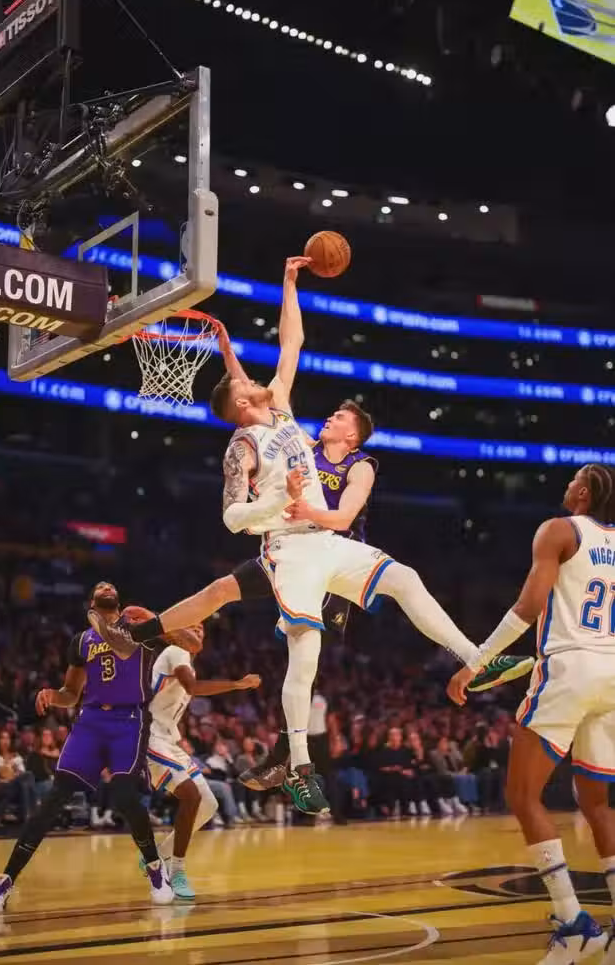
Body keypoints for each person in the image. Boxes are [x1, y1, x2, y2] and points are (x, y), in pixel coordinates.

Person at [92, 257, 533, 815]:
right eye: (247, 383)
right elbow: (233, 518)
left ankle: (478, 658)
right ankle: (299, 765)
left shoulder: (281, 412)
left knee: (404, 578)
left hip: (328, 543)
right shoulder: (241, 447)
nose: (258, 378)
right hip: (290, 548)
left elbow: (291, 342)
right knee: (306, 648)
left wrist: (289, 283)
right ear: (243, 403)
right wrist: (281, 501)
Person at [447, 464, 615, 963]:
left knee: (523, 795)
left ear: (583, 492)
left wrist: (475, 662)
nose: (566, 485)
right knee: (598, 804)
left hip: (570, 669)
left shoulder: (559, 529)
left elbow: (527, 606)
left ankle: (574, 924)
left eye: (573, 480)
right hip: (612, 673)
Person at [0, 582, 197, 914]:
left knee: (124, 795)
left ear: (118, 601)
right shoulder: (81, 641)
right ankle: (6, 880)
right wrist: (52, 695)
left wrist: (154, 618)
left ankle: (155, 868)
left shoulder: (139, 630)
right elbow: (70, 693)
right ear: (91, 605)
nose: (106, 586)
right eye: (100, 586)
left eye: (110, 585)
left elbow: (191, 643)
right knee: (53, 800)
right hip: (91, 721)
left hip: (129, 720)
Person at [145, 623, 261, 898]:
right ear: (180, 632)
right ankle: (176, 870)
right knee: (192, 795)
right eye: (192, 627)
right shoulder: (175, 651)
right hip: (149, 735)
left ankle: (156, 856)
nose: (197, 631)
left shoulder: (186, 662)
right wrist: (237, 684)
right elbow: (193, 687)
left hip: (168, 739)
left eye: (201, 630)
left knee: (209, 805)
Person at [0, 728, 34, 823]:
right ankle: (28, 815)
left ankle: (25, 815)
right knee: (26, 779)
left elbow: (22, 774)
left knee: (25, 781)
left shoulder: (17, 756)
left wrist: (11, 771)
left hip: (16, 787)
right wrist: (14, 769)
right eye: (2, 738)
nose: (5, 741)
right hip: (2, 787)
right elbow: (4, 774)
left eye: (7, 738)